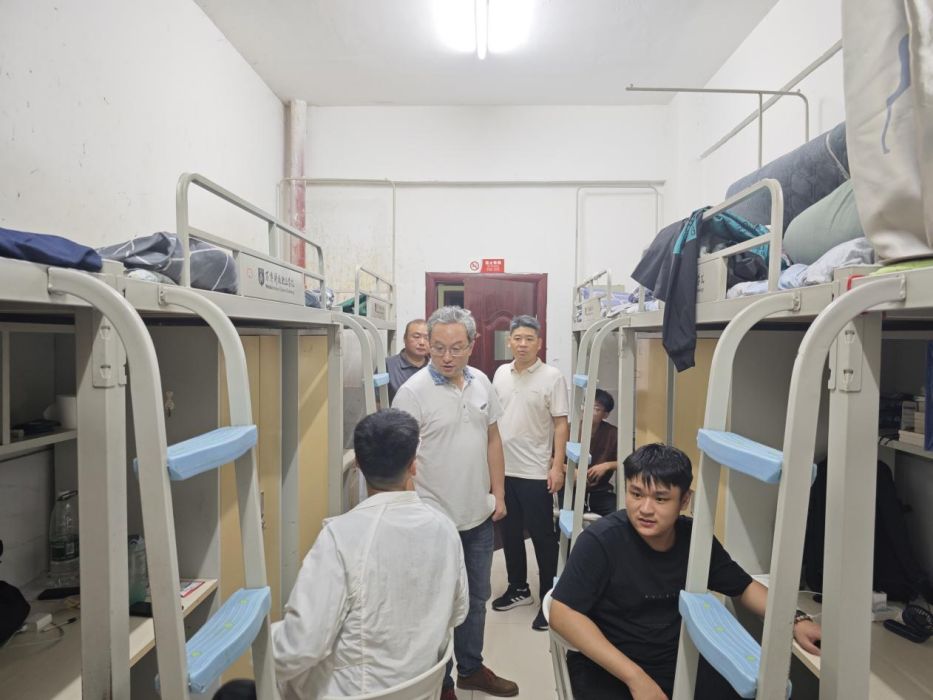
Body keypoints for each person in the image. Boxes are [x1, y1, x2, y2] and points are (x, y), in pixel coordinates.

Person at [215, 409, 468, 700]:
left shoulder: (341, 537)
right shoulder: (445, 529)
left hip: (354, 694)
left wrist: (257, 645)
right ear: (413, 465)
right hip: (419, 689)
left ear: (357, 463)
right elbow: (459, 612)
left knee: (233, 694)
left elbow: (300, 647)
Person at [550, 443, 822, 700]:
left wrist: (796, 620)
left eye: (660, 498)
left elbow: (743, 586)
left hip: (674, 657)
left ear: (684, 500)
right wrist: (635, 677)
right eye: (636, 494)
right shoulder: (602, 540)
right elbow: (562, 613)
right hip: (609, 664)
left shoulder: (693, 538)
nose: (645, 509)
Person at [393, 306, 519, 700]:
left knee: (476, 599)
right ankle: (441, 682)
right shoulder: (411, 392)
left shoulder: (482, 382)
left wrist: (498, 493)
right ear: (428, 345)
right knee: (436, 606)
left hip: (477, 517)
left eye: (456, 348)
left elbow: (493, 439)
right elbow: (401, 461)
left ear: (472, 344)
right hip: (432, 521)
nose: (447, 357)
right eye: (438, 348)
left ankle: (470, 668)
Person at [491, 314, 569, 632]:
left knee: (542, 538)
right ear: (509, 341)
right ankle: (518, 588)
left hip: (536, 471)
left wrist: (557, 466)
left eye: (529, 339)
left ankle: (549, 599)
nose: (522, 344)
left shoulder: (552, 377)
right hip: (503, 470)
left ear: (539, 343)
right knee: (509, 534)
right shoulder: (500, 373)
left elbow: (561, 423)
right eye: (517, 338)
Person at [583, 388, 619, 516]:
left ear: (605, 415)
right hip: (571, 489)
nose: (589, 411)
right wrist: (571, 471)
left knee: (619, 514)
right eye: (586, 405)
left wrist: (607, 465)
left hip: (600, 491)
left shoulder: (613, 433)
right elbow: (553, 460)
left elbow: (629, 461)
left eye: (596, 408)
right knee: (567, 519)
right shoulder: (571, 429)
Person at [385, 318, 429, 402]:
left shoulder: (436, 367)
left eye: (427, 338)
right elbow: (377, 403)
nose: (422, 342)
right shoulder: (388, 365)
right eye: (416, 337)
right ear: (405, 339)